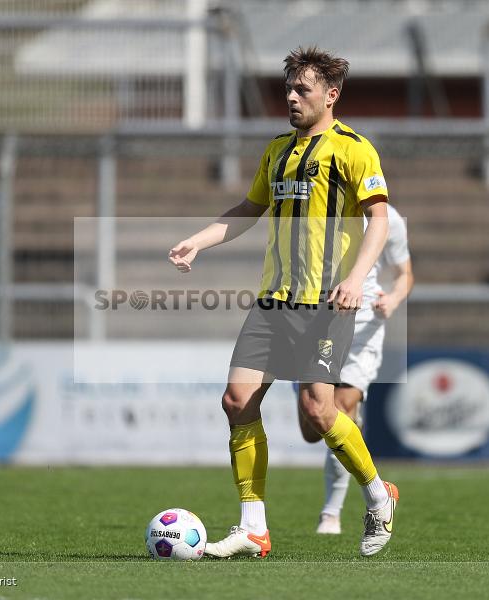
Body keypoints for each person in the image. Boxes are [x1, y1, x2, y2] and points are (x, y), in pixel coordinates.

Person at [169, 46, 398, 558]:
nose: (292, 98)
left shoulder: (354, 149)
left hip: (326, 303)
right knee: (237, 401)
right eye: (288, 89)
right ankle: (253, 527)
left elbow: (379, 220)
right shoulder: (276, 150)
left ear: (331, 95)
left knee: (319, 412)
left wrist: (355, 278)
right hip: (273, 301)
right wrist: (197, 242)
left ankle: (379, 495)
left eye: (303, 90)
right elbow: (249, 208)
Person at [296, 205, 413, 535]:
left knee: (341, 408)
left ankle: (330, 514)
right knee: (311, 428)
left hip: (362, 326)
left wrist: (393, 300)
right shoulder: (317, 205)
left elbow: (405, 274)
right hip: (313, 321)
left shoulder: (388, 218)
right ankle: (345, 424)